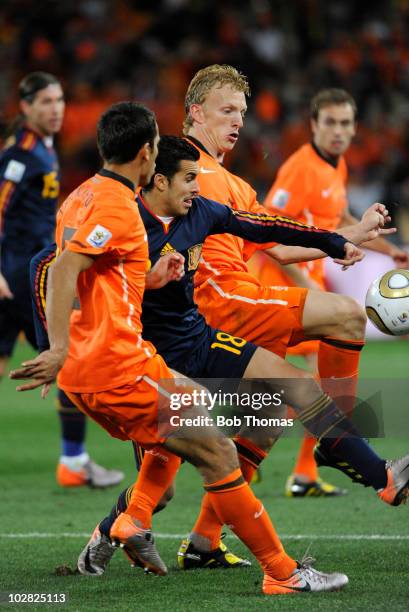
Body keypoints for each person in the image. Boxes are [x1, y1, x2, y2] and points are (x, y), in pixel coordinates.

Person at [10, 100, 366, 596]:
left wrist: (146, 280)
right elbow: (66, 267)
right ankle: (281, 573)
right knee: (219, 449)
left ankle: (123, 527)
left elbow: (49, 266)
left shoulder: (81, 197)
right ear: (146, 153)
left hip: (100, 367)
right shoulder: (118, 206)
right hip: (117, 364)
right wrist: (57, 347)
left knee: (186, 443)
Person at [257, 88, 409, 497]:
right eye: (331, 122)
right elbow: (269, 232)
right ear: (313, 125)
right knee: (291, 389)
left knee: (316, 384)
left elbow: (339, 217)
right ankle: (252, 448)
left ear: (355, 127)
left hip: (309, 285)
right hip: (280, 285)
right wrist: (305, 283)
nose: (339, 131)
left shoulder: (335, 166)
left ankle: (308, 467)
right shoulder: (299, 169)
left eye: (346, 123)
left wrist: (391, 251)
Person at [0, 71, 123, 489]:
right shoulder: (21, 154)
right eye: (46, 102)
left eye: (59, 100)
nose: (55, 109)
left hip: (25, 272)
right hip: (23, 277)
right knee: (68, 357)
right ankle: (73, 460)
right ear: (26, 107)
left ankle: (74, 460)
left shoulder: (44, 151)